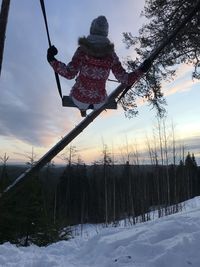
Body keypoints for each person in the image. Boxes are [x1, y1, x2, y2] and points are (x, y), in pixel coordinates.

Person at [47, 15, 151, 117]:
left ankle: (82, 108)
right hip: (99, 102)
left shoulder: (82, 51)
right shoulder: (111, 56)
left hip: (79, 99)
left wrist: (51, 59)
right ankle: (85, 107)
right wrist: (142, 69)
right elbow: (125, 79)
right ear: (106, 33)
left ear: (92, 30)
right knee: (95, 97)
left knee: (80, 96)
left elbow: (69, 74)